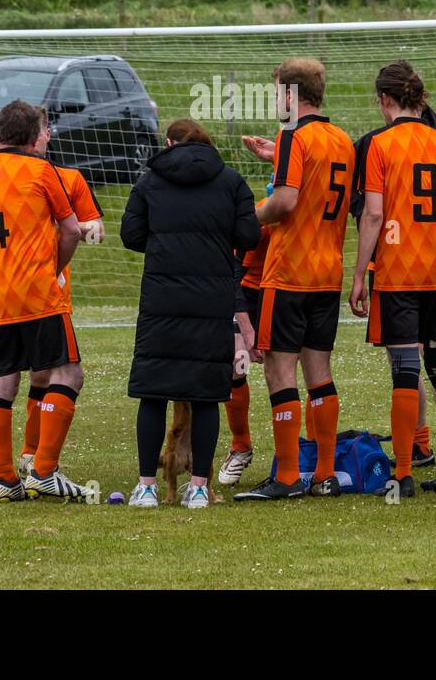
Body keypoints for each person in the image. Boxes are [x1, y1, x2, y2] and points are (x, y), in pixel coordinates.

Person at [349, 60, 436, 497]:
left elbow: (372, 213)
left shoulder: (379, 145)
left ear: (385, 100)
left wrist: (359, 274)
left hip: (399, 274)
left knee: (405, 370)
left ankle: (403, 473)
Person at [121, 119, 261, 508]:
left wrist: (165, 239)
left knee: (152, 393)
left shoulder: (150, 181)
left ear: (169, 143)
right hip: (211, 301)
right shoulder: (231, 181)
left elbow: (130, 234)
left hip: (161, 301)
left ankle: (147, 486)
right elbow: (249, 236)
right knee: (205, 397)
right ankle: (199, 486)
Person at [234, 57, 355, 502]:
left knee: (279, 371)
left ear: (290, 94)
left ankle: (286, 476)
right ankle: (324, 474)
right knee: (319, 373)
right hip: (328, 271)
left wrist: (244, 221)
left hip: (289, 272)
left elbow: (284, 202)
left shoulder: (293, 137)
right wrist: (277, 156)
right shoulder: (341, 140)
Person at [0, 99, 88, 501]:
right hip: (40, 293)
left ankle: (6, 480)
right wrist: (52, 266)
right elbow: (71, 231)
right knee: (68, 374)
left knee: (3, 379)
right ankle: (44, 471)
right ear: (34, 136)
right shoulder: (41, 171)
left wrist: (3, 257)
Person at [18, 106, 105, 479]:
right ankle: (35, 464)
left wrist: (83, 230)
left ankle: (28, 457)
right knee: (48, 373)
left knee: (41, 374)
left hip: (45, 290)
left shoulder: (68, 178)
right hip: (24, 288)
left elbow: (95, 227)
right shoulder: (8, 176)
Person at [217, 202, 268, 487]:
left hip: (288, 291)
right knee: (238, 362)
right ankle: (241, 446)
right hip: (249, 294)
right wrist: (247, 328)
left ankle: (306, 454)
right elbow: (234, 276)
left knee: (288, 369)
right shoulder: (259, 219)